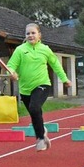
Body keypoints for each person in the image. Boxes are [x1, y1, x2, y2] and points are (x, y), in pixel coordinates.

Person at [6, 23, 72, 152]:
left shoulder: (45, 49)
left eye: (33, 33)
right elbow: (11, 65)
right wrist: (11, 73)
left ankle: (40, 138)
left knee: (34, 107)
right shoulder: (20, 50)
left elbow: (56, 65)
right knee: (34, 113)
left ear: (39, 35)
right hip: (25, 89)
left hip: (42, 84)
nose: (30, 35)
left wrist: (65, 79)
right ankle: (42, 130)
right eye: (27, 33)